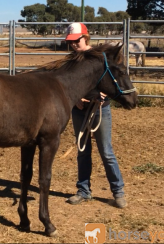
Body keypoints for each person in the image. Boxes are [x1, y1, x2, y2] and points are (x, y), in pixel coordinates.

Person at [64, 22, 127, 208]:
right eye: (71, 41)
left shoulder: (101, 58)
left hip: (100, 108)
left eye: (77, 40)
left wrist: (104, 95)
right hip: (80, 110)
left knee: (106, 151)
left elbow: (112, 79)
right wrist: (76, 100)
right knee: (83, 151)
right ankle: (83, 190)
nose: (74, 44)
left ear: (86, 37)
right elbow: (68, 85)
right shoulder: (70, 62)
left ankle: (118, 191)